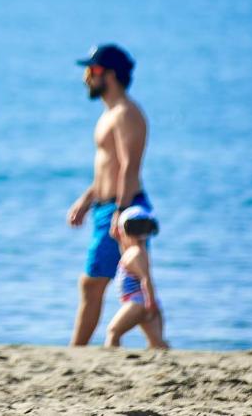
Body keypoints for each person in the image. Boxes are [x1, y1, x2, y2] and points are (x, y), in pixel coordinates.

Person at [66, 44, 153, 346]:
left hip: (122, 208)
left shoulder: (127, 113)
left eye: (92, 70)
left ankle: (76, 351)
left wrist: (120, 211)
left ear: (110, 74)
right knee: (134, 283)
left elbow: (129, 166)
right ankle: (160, 347)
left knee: (92, 284)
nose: (86, 78)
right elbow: (108, 169)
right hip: (107, 207)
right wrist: (86, 200)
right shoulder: (110, 114)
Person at [105, 205, 168, 349]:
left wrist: (150, 303)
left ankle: (111, 356)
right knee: (157, 343)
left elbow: (146, 279)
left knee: (113, 331)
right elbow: (124, 248)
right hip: (143, 301)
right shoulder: (135, 250)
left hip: (139, 302)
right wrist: (118, 236)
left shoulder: (136, 253)